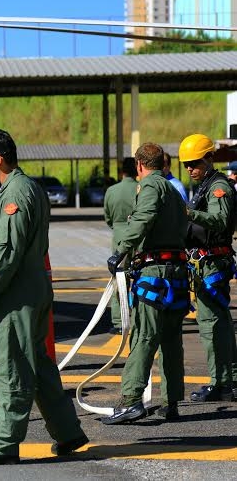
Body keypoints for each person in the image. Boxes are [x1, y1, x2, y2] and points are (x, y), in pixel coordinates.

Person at [0, 128, 88, 466]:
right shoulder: (31, 186)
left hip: (17, 293)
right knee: (41, 366)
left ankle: (3, 445)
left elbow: (8, 253)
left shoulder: (13, 195)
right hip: (36, 287)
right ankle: (67, 432)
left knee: (13, 366)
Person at [103, 142, 189, 425]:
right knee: (171, 341)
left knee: (144, 337)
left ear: (140, 165)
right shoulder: (174, 191)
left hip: (156, 274)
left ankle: (130, 401)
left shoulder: (151, 187)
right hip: (176, 274)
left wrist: (121, 251)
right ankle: (171, 401)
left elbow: (142, 219)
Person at [180, 133, 237, 402]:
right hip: (208, 263)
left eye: (195, 163)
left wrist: (190, 214)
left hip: (213, 264)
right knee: (220, 323)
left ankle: (220, 383)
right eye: (186, 165)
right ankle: (229, 380)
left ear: (210, 158)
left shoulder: (218, 187)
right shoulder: (205, 185)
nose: (190, 168)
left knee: (211, 325)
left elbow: (221, 220)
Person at [103, 157, 138, 334]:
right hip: (139, 238)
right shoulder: (141, 189)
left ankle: (118, 321)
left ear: (121, 171)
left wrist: (118, 228)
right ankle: (137, 319)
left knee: (119, 280)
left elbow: (108, 217)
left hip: (118, 238)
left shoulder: (112, 191)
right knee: (139, 278)